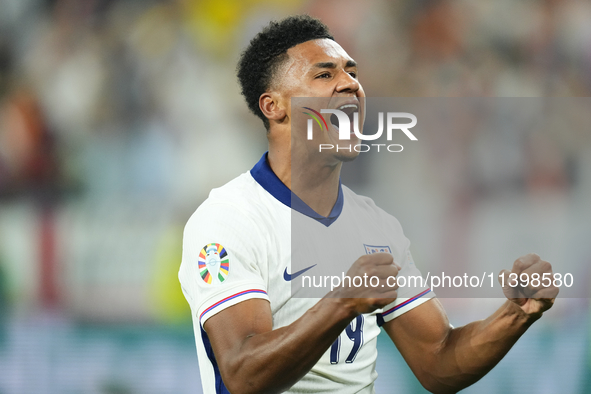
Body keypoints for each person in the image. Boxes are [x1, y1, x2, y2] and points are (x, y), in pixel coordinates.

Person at [178, 15, 558, 394]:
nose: (350, 84)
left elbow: (439, 362)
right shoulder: (227, 220)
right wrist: (341, 304)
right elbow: (243, 376)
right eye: (324, 75)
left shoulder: (377, 227)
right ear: (274, 106)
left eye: (352, 73)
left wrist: (515, 314)